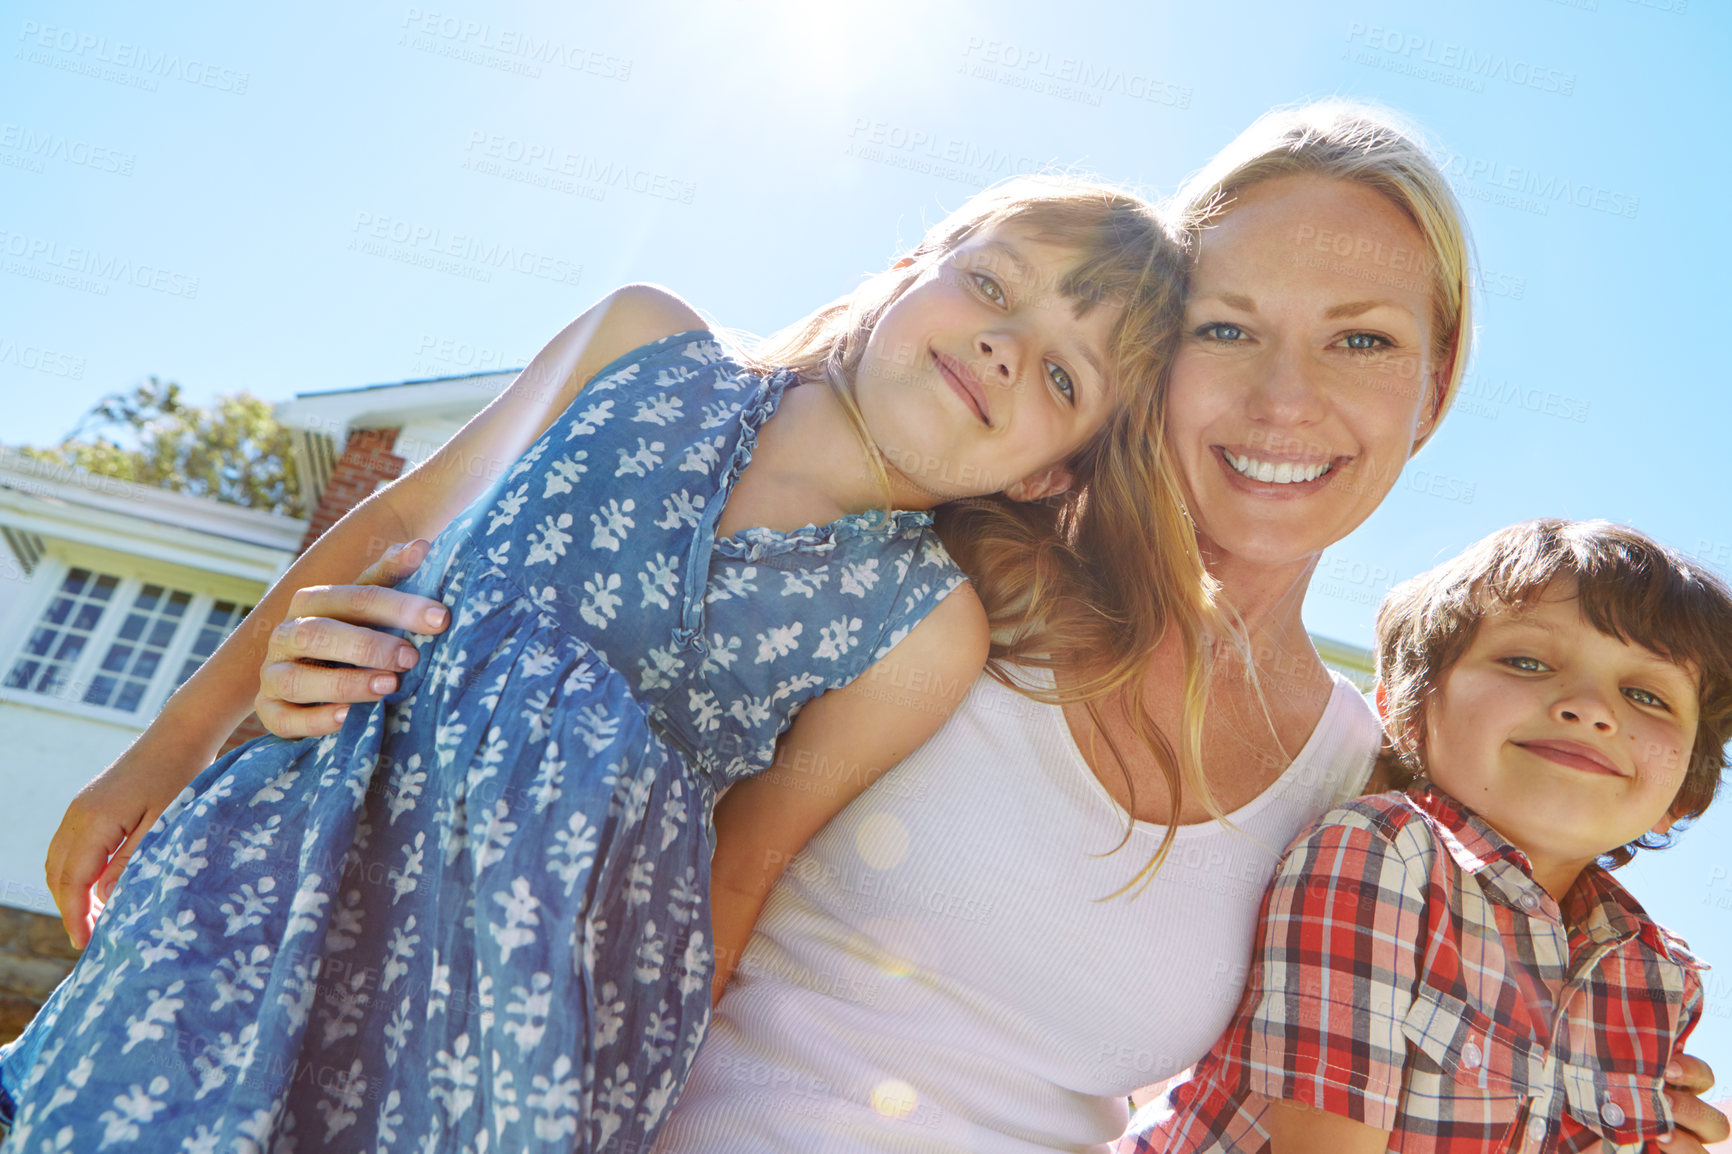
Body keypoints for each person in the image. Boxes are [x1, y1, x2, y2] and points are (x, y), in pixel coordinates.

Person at [40, 105, 1730, 1154]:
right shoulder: (928, 553)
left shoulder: (1367, 787)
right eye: (1229, 324)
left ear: (1432, 390)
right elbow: (523, 618)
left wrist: (1617, 1093)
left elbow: (1376, 1050)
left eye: (1361, 340)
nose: (1288, 395)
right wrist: (280, 690)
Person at [0, 176, 1198, 1153]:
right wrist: (167, 745)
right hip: (278, 868)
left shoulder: (921, 630)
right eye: (993, 284)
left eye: (1060, 375)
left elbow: (736, 882)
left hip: (493, 1020)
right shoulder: (641, 342)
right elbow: (378, 535)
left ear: (1050, 474)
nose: (1003, 345)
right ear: (903, 274)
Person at [1120, 519, 1732, 1154]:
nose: (1590, 708)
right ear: (1410, 713)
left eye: (1646, 695)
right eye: (1526, 661)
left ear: (1686, 792)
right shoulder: (1381, 852)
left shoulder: (1661, 977)